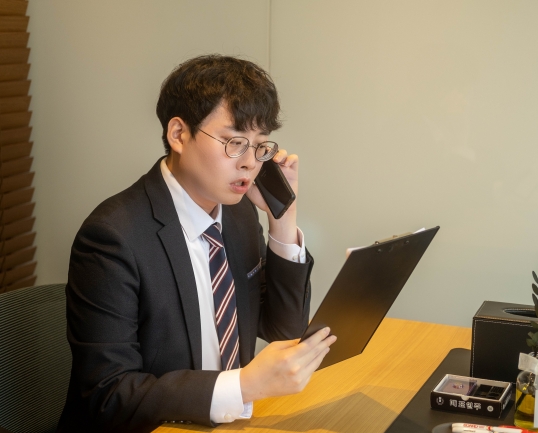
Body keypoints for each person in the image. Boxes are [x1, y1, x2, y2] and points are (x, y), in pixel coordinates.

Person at [57, 55, 336, 433]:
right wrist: (243, 386)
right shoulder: (112, 238)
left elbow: (283, 329)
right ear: (178, 134)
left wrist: (282, 219)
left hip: (227, 423)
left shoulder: (237, 215)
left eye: (260, 146)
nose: (250, 163)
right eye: (234, 142)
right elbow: (109, 395)